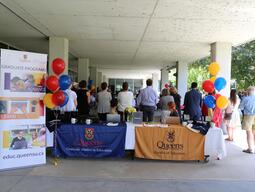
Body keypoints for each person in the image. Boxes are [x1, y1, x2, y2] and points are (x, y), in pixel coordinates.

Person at [239, 86, 255, 154]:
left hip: (248, 116)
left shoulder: (246, 99)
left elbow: (241, 107)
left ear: (248, 91)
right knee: (254, 132)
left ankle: (250, 149)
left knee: (249, 133)